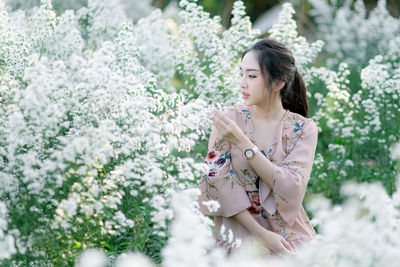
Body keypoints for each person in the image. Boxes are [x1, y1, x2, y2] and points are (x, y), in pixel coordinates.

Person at [196, 39, 318, 256]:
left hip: (288, 240)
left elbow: (292, 188)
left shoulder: (302, 129)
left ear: (279, 82)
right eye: (241, 74)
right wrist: (262, 235)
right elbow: (214, 181)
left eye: (252, 76)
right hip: (237, 238)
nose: (243, 83)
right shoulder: (229, 120)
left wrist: (243, 143)